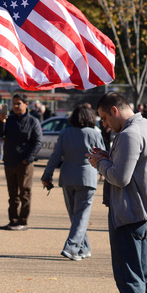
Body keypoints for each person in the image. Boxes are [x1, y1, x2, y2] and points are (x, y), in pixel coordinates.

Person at [88, 92, 147, 292]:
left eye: (104, 118)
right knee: (144, 275)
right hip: (143, 210)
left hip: (128, 213)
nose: (105, 124)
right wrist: (109, 157)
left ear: (114, 110)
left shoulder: (129, 134)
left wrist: (100, 163)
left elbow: (120, 178)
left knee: (129, 279)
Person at [41, 103, 104, 261]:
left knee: (75, 216)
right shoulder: (95, 133)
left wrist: (47, 175)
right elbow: (103, 155)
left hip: (68, 176)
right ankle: (74, 247)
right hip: (88, 177)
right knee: (81, 216)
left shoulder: (65, 132)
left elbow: (55, 156)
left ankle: (82, 248)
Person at [0, 93, 42, 230]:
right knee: (12, 194)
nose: (16, 106)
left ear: (26, 104)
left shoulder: (33, 121)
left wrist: (28, 159)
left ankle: (22, 221)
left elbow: (38, 142)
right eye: (14, 103)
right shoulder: (8, 119)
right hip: (10, 162)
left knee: (25, 193)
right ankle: (13, 220)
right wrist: (1, 122)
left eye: (19, 103)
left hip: (24, 164)